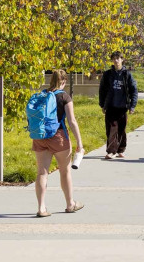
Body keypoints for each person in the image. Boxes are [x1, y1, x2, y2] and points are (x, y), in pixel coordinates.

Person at [32, 70, 84, 217]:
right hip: (58, 137)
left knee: (42, 172)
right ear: (64, 81)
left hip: (40, 136)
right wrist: (79, 142)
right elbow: (72, 121)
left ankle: (41, 208)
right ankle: (70, 204)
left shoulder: (42, 95)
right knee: (65, 170)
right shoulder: (64, 97)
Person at [98, 51, 138, 160]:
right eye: (114, 59)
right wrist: (102, 104)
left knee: (121, 129)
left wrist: (132, 106)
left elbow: (134, 90)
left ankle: (121, 149)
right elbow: (102, 90)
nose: (116, 61)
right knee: (111, 129)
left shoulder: (127, 74)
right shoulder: (108, 74)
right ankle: (111, 151)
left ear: (122, 60)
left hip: (122, 106)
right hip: (111, 106)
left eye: (118, 58)